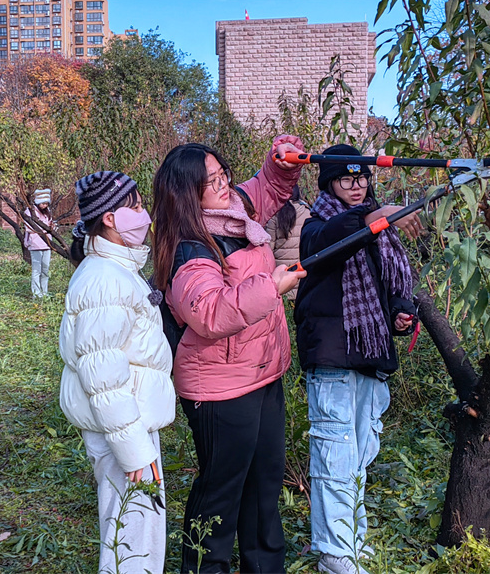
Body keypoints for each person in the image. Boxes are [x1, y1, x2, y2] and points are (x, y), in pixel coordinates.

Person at [151, 135, 306, 574]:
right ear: (187, 195)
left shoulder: (234, 210)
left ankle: (265, 567)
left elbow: (268, 188)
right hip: (220, 391)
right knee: (221, 493)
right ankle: (205, 568)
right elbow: (210, 312)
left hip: (262, 375)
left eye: (224, 175)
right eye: (212, 181)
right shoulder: (189, 248)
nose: (225, 185)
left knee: (264, 486)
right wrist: (271, 287)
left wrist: (281, 161)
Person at [293, 144, 422, 574]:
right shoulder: (316, 225)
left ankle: (351, 541)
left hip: (370, 357)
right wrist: (371, 216)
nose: (356, 184)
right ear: (328, 182)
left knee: (360, 455)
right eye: (346, 178)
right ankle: (333, 553)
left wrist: (400, 313)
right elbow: (332, 244)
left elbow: (389, 286)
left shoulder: (380, 230)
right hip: (332, 358)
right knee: (335, 454)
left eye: (362, 177)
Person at [59, 171, 176, 574]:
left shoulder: (114, 271)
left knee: (134, 526)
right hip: (124, 430)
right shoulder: (104, 280)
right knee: (132, 533)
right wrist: (134, 452)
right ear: (109, 217)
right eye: (136, 205)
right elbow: (103, 379)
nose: (144, 214)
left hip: (129, 424)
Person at [264, 185, 312, 300]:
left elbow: (267, 249)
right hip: (302, 277)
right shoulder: (307, 211)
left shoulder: (274, 214)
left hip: (282, 279)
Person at [24, 187, 54, 298]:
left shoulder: (47, 212)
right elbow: (28, 228)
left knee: (45, 270)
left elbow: (50, 226)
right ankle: (36, 293)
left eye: (46, 203)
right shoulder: (29, 211)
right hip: (35, 244)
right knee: (36, 270)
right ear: (38, 202)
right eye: (43, 203)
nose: (45, 206)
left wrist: (51, 227)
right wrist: (43, 230)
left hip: (47, 244)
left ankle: (44, 292)